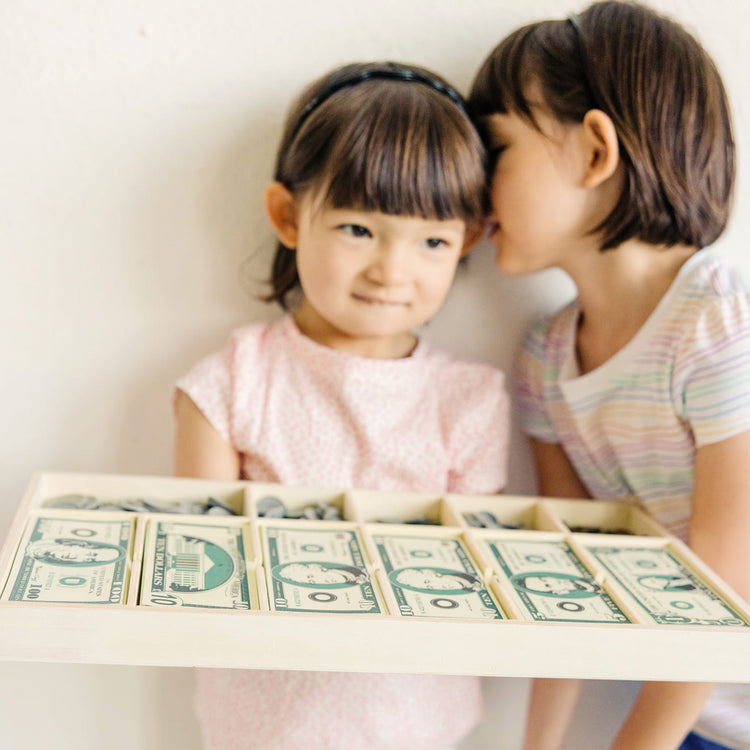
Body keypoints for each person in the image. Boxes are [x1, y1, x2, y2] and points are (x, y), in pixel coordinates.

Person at [174, 61, 510, 750]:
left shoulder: (469, 400)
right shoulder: (230, 384)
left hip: (415, 719)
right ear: (289, 217)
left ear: (467, 241)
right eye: (359, 229)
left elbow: (473, 581)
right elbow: (196, 567)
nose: (392, 269)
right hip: (260, 724)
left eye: (432, 241)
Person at [468, 2, 750, 749]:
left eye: (496, 150)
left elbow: (729, 591)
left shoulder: (721, 326)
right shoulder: (543, 365)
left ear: (596, 151)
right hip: (701, 725)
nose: (474, 191)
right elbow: (570, 582)